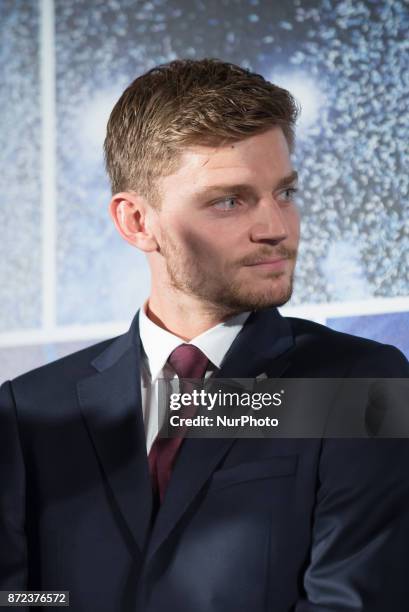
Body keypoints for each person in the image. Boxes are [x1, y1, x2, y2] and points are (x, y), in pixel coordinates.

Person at [1, 58, 408, 612]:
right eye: (229, 200)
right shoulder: (28, 410)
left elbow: (351, 600)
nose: (276, 228)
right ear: (136, 222)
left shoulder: (363, 386)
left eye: (285, 193)